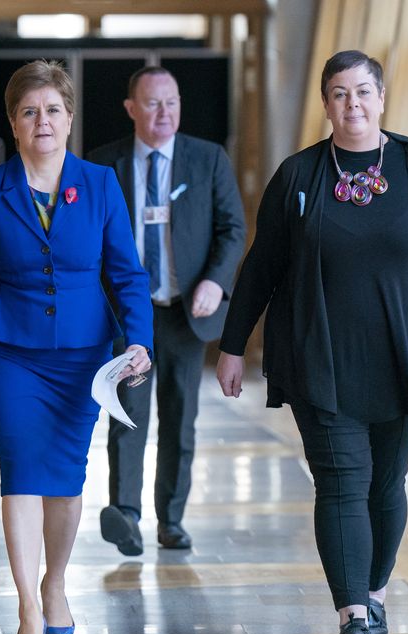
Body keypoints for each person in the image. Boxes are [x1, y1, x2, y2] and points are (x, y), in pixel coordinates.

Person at [216, 50, 408, 634]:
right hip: (321, 358)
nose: (353, 104)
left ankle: (374, 591)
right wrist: (232, 346)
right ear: (326, 103)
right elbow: (262, 266)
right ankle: (353, 617)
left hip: (406, 357)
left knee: (386, 485)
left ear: (382, 97)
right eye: (339, 94)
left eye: (363, 92)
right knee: (342, 482)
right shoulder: (300, 176)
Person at [0, 60, 153, 634]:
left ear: (69, 118)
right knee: (22, 471)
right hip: (10, 352)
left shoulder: (101, 184)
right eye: (29, 111)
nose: (43, 121)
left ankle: (54, 583)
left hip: (84, 357)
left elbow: (127, 274)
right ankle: (27, 609)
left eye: (53, 110)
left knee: (65, 477)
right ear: (13, 122)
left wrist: (138, 340)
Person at [87, 66, 246, 555]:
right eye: (153, 104)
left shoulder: (208, 159)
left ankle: (171, 519)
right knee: (128, 413)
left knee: (180, 417)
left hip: (183, 311)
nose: (164, 113)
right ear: (131, 108)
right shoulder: (103, 165)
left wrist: (216, 284)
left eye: (172, 102)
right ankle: (127, 515)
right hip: (129, 312)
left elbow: (233, 229)